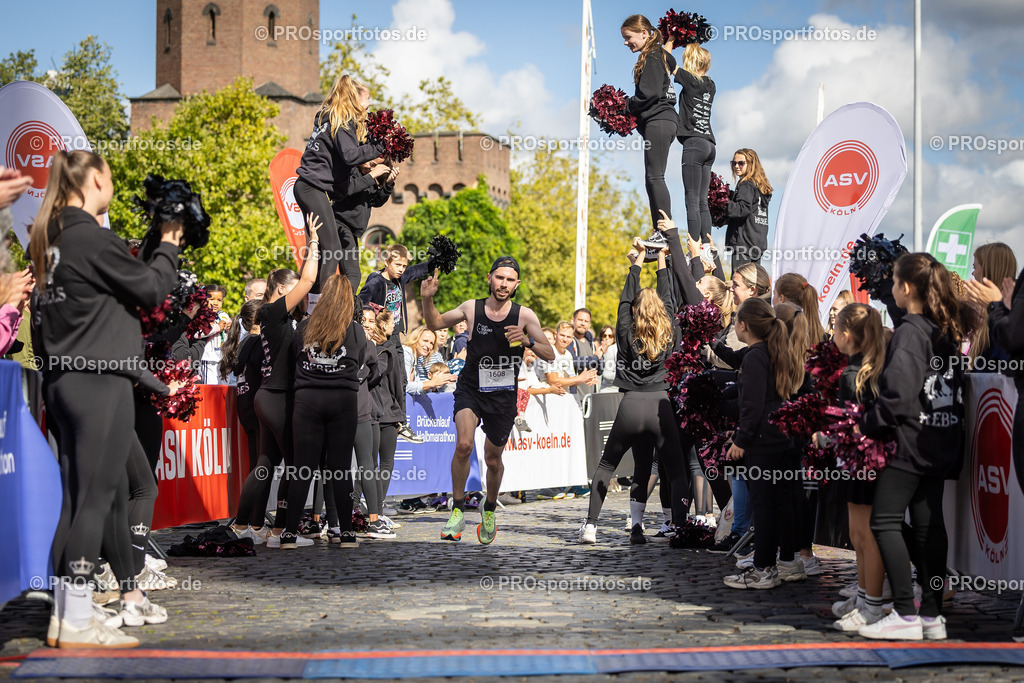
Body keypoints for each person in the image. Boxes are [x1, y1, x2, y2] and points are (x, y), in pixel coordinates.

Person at [31, 150, 183, 648]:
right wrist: (167, 243)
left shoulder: (52, 243)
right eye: (111, 177)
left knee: (77, 500)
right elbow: (153, 289)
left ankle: (67, 612)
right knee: (93, 501)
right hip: (99, 382)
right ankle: (75, 618)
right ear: (96, 179)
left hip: (65, 381)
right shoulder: (89, 239)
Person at [858, 254, 976, 640]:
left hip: (911, 442)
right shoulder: (944, 328)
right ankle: (932, 616)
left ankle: (906, 614)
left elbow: (898, 394)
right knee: (928, 525)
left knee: (884, 521)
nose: (891, 288)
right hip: (940, 440)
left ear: (906, 288)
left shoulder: (911, 330)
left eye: (893, 281)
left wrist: (868, 424)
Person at [422, 256, 554, 544]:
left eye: (509, 279)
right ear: (489, 278)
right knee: (464, 444)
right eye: (499, 277)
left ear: (516, 284)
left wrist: (528, 340)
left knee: (493, 460)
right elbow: (433, 322)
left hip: (502, 398)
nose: (504, 284)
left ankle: (490, 508)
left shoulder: (525, 316)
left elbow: (550, 353)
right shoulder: (472, 308)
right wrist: (427, 299)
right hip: (470, 389)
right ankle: (457, 510)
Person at [578, 240, 692, 545]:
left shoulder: (626, 329)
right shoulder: (669, 326)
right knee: (676, 471)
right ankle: (678, 528)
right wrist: (663, 258)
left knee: (607, 465)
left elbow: (626, 298)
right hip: (660, 406)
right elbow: (667, 297)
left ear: (634, 311)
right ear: (661, 313)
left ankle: (591, 526)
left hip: (629, 404)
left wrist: (639, 259)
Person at [231, 216, 321, 546]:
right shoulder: (273, 311)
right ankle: (281, 531)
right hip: (277, 397)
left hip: (268, 398)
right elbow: (310, 279)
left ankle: (244, 527)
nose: (300, 292)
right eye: (293, 287)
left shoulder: (271, 316)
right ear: (282, 289)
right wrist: (312, 243)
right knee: (298, 465)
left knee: (265, 465)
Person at [721, 298, 805, 589]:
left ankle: (763, 569)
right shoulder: (771, 350)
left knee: (765, 507)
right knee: (780, 504)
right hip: (779, 441)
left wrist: (741, 439)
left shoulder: (756, 356)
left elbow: (753, 404)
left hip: (763, 444)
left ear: (744, 326)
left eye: (736, 322)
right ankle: (788, 562)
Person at [282, 274, 367, 549]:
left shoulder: (305, 326)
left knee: (302, 468)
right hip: (342, 400)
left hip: (307, 400)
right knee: (341, 468)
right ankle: (346, 533)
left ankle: (288, 533)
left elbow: (294, 356)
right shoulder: (355, 330)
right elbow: (362, 360)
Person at [829, 303, 888, 632]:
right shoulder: (856, 369)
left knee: (867, 535)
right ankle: (864, 596)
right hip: (853, 460)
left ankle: (872, 605)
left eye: (836, 329)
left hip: (864, 460)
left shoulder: (857, 374)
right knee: (856, 533)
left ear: (847, 336)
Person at [294, 74, 382, 292]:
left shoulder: (330, 119)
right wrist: (381, 146)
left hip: (308, 188)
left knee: (322, 248)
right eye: (367, 98)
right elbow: (351, 155)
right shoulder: (342, 123)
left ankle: (311, 299)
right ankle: (325, 304)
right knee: (332, 247)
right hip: (311, 188)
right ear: (355, 99)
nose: (369, 103)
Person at [359, 244, 432, 441]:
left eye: (403, 265)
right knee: (379, 378)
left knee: (401, 379)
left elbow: (418, 271)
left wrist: (436, 262)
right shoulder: (376, 282)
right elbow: (360, 304)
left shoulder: (400, 279)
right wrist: (372, 326)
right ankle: (379, 420)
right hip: (380, 339)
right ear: (387, 262)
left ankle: (402, 423)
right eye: (397, 264)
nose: (401, 269)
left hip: (396, 337)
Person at [621, 14, 678, 233]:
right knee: (651, 178)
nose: (626, 42)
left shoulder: (653, 55)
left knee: (655, 176)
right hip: (660, 121)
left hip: (660, 120)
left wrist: (624, 106)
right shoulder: (657, 55)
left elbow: (649, 94)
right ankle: (659, 231)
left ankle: (666, 231)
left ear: (644, 33)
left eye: (628, 37)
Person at [663, 40, 716, 247]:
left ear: (691, 62)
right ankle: (707, 245)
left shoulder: (690, 80)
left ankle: (694, 246)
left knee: (691, 200)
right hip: (709, 145)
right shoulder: (711, 84)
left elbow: (667, 61)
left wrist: (670, 40)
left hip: (694, 144)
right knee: (703, 202)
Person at [966, 243, 1016, 365]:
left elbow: (998, 363)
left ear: (987, 272)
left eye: (974, 267)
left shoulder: (1009, 315)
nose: (972, 274)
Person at [725, 149, 772, 270]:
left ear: (751, 164)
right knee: (752, 284)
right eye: (733, 163)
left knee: (740, 283)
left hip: (743, 243)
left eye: (741, 163)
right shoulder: (760, 186)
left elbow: (742, 209)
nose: (736, 166)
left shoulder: (746, 184)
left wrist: (723, 203)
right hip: (757, 243)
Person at [535, 321, 600, 406]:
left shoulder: (568, 354)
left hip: (564, 398)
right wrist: (579, 378)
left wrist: (585, 379)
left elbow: (571, 379)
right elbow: (553, 381)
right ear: (555, 335)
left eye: (568, 337)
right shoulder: (549, 351)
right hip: (548, 399)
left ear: (572, 338)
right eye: (562, 335)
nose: (565, 339)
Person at [403, 325, 456, 394]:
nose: (428, 346)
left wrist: (434, 385)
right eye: (425, 341)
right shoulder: (407, 353)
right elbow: (405, 387)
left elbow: (417, 386)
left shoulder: (415, 359)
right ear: (415, 339)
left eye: (431, 343)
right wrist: (431, 383)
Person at [597, 325, 618, 391]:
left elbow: (607, 375)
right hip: (603, 387)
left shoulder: (613, 349)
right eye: (604, 335)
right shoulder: (598, 350)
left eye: (610, 336)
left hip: (612, 389)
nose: (607, 338)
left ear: (614, 337)